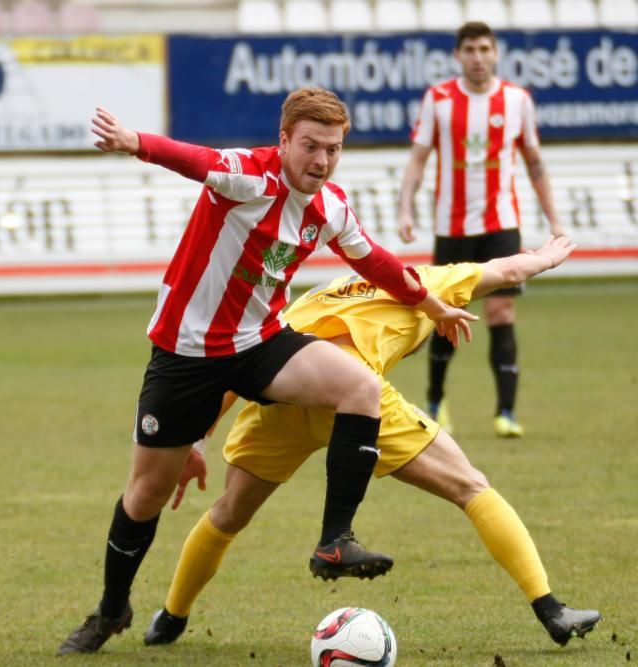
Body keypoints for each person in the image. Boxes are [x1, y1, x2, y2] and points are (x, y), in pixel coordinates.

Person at [57, 88, 478, 655]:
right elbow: (195, 159)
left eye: (333, 149)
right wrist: (137, 144)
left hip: (259, 343)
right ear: (284, 141)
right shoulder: (249, 175)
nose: (321, 161)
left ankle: (335, 541)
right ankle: (110, 611)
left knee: (359, 386)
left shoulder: (328, 205)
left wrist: (429, 304)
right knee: (147, 494)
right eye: (310, 146)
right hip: (185, 356)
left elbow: (373, 259)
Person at [142, 236, 601, 649]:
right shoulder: (434, 281)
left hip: (285, 393)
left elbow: (241, 364)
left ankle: (170, 618)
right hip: (356, 393)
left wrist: (198, 444)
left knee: (227, 513)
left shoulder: (319, 293)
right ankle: (551, 609)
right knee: (472, 487)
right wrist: (544, 258)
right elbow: (508, 270)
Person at [397, 21, 565, 438]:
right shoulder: (438, 100)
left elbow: (534, 162)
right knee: (443, 314)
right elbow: (418, 159)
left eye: (484, 49)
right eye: (469, 49)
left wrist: (554, 218)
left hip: (501, 223)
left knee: (501, 310)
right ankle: (436, 401)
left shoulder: (517, 101)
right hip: (451, 225)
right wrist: (405, 208)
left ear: (495, 53)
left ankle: (506, 412)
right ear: (457, 55)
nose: (477, 57)